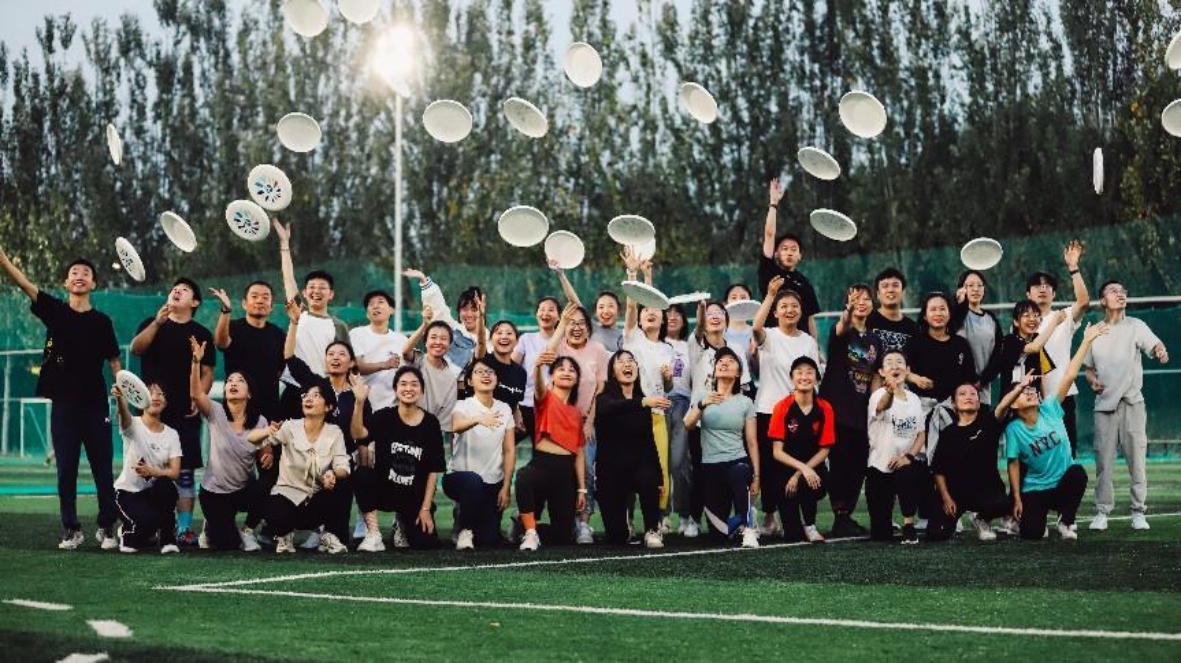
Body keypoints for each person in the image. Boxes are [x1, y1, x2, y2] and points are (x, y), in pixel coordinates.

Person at [0, 250, 121, 549]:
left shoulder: (102, 322)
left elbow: (114, 362)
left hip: (96, 405)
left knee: (103, 470)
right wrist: (3, 260)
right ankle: (71, 529)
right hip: (64, 406)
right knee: (66, 470)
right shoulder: (56, 311)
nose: (80, 276)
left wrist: (122, 393)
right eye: (74, 273)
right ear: (66, 283)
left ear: (93, 284)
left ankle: (107, 527)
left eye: (86, 273)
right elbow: (24, 284)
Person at [1002, 323, 1107, 541]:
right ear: (1014, 404)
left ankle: (1065, 520)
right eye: (1023, 392)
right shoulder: (1014, 429)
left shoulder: (1049, 407)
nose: (1030, 391)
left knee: (1078, 473)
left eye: (1031, 389)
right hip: (1036, 488)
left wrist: (1086, 340)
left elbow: (1069, 375)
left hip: (1062, 486)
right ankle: (1034, 520)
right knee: (1031, 534)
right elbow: (1013, 464)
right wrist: (1017, 499)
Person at [130, 277, 214, 546]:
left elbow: (208, 371)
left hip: (185, 414)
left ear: (195, 302)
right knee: (145, 470)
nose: (177, 291)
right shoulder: (151, 323)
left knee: (184, 472)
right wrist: (157, 322)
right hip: (151, 412)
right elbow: (136, 348)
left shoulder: (201, 333)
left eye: (185, 290)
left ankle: (185, 529)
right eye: (174, 289)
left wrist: (198, 396)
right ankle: (147, 525)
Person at [1084, 281, 1169, 531]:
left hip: (1133, 404)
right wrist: (1092, 381)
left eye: (1123, 291)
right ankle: (1101, 512)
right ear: (1103, 300)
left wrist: (1160, 350)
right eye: (1114, 291)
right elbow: (1088, 369)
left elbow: (1154, 344)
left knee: (1137, 462)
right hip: (1104, 407)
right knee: (1103, 463)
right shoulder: (1094, 330)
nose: (1120, 294)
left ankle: (1138, 512)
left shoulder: (1136, 326)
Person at [282, 300, 366, 551]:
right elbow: (289, 357)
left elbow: (358, 434)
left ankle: (330, 531)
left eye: (342, 354)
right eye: (331, 354)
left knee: (344, 479)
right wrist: (294, 322)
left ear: (351, 362)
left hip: (341, 462)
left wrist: (360, 403)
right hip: (312, 458)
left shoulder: (358, 393)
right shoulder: (316, 384)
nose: (335, 358)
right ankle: (310, 528)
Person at [752, 276, 819, 536]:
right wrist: (770, 295)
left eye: (794, 306)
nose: (789, 310)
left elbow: (814, 378)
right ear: (776, 312)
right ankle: (770, 516)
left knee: (796, 464)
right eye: (784, 306)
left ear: (801, 311)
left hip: (800, 413)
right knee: (771, 468)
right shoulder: (769, 336)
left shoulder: (808, 341)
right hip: (769, 410)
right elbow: (756, 327)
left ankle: (803, 519)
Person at [248, 382, 350, 554]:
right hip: (288, 495)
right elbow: (252, 438)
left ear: (328, 406)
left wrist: (333, 473)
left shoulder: (335, 432)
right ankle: (284, 535)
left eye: (316, 395)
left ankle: (329, 535)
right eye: (305, 395)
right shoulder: (290, 427)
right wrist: (267, 431)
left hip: (316, 497)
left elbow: (343, 465)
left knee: (342, 485)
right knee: (276, 513)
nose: (308, 399)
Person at [352, 366, 445, 551]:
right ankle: (374, 534)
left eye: (414, 384)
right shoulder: (384, 416)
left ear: (422, 390)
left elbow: (434, 470)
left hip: (413, 495)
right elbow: (357, 434)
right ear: (395, 389)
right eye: (403, 384)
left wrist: (425, 508)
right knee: (362, 474)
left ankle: (401, 523)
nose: (408, 388)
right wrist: (359, 402)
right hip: (385, 489)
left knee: (425, 543)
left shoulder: (431, 423)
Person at [190, 338, 269, 552]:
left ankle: (248, 530)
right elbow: (196, 394)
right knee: (227, 545)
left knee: (267, 484)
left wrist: (268, 456)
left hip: (243, 490)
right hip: (214, 492)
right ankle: (210, 528)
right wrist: (196, 362)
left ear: (249, 393)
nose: (233, 383)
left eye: (239, 381)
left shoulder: (260, 421)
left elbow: (265, 453)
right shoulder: (216, 412)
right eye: (230, 381)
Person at [821, 284, 883, 537]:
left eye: (866, 299)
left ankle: (847, 515)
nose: (861, 302)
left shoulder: (875, 340)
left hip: (861, 412)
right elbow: (842, 326)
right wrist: (847, 311)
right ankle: (840, 515)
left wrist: (875, 406)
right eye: (856, 299)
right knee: (840, 463)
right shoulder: (842, 331)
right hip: (837, 409)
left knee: (859, 465)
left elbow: (875, 376)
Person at [683, 347, 761, 549]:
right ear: (715, 370)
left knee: (739, 472)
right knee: (719, 536)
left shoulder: (745, 402)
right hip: (710, 466)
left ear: (738, 373)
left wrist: (757, 477)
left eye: (731, 361)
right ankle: (746, 514)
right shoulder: (703, 396)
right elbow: (688, 424)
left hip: (737, 462)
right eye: (720, 361)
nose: (724, 363)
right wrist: (702, 404)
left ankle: (749, 528)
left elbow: (752, 441)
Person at [546, 301, 608, 544]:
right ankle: (551, 520)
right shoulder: (559, 347)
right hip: (560, 422)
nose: (577, 327)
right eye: (572, 323)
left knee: (587, 471)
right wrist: (562, 323)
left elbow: (600, 389)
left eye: (582, 323)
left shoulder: (598, 350)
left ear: (589, 327)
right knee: (558, 472)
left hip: (586, 422)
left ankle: (583, 522)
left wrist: (589, 422)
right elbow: (546, 357)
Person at [274, 220, 350, 418]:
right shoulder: (299, 312)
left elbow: (346, 363)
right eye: (312, 288)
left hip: (322, 392)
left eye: (322, 288)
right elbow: (288, 279)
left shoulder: (339, 326)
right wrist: (285, 245)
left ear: (331, 294)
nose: (317, 291)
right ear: (305, 292)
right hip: (294, 388)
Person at [926, 382, 1019, 542]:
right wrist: (946, 497)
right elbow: (939, 470)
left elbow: (1004, 405)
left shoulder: (988, 423)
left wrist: (1020, 388)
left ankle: (981, 518)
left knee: (1003, 504)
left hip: (986, 491)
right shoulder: (948, 433)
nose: (968, 397)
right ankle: (951, 523)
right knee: (936, 534)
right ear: (954, 404)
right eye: (962, 394)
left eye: (972, 394)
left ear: (979, 402)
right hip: (956, 494)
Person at [513, 354, 588, 551]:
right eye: (561, 369)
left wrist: (581, 489)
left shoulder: (576, 413)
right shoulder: (545, 398)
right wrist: (538, 367)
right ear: (552, 376)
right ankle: (530, 532)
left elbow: (580, 452)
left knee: (562, 538)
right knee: (524, 476)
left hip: (565, 473)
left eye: (572, 370)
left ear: (577, 379)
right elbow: (538, 387)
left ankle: (523, 526)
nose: (566, 372)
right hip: (542, 465)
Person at [621, 250, 674, 531]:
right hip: (632, 415)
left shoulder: (668, 349)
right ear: (639, 320)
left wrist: (668, 379)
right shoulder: (633, 337)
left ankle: (660, 517)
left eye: (656, 311)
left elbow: (669, 387)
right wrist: (634, 274)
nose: (650, 313)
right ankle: (628, 519)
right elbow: (633, 305)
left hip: (657, 417)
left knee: (660, 468)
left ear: (663, 320)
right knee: (629, 467)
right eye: (646, 311)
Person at [594, 350, 668, 547]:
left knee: (648, 478)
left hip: (639, 467)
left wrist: (659, 477)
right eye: (621, 362)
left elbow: (649, 441)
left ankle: (652, 530)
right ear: (612, 372)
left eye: (631, 361)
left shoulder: (643, 402)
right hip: (612, 471)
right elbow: (609, 409)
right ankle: (624, 527)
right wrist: (642, 402)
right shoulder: (604, 399)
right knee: (617, 538)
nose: (627, 364)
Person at [444, 356, 516, 550]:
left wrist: (506, 486)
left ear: (497, 379)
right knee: (473, 482)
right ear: (469, 381)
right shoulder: (462, 405)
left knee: (488, 540)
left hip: (493, 482)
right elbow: (456, 426)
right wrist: (478, 419)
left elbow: (509, 450)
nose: (486, 375)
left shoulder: (504, 408)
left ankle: (472, 520)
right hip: (460, 478)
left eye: (490, 371)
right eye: (479, 372)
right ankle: (464, 530)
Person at [1025, 240, 1089, 456]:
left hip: (1063, 396)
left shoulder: (1063, 316)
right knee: (1036, 456)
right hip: (1031, 400)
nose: (1042, 288)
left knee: (1067, 453)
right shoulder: (1021, 324)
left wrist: (1073, 267)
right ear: (1028, 294)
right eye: (1037, 285)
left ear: (1054, 294)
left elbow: (1083, 303)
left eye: (1047, 286)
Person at [766, 356, 834, 543]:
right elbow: (777, 452)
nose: (804, 377)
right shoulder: (782, 407)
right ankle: (791, 524)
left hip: (813, 469)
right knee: (793, 537)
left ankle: (810, 525)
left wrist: (802, 473)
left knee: (809, 480)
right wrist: (800, 469)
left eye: (809, 372)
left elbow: (825, 450)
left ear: (817, 378)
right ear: (792, 378)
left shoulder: (825, 408)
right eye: (799, 373)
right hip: (784, 472)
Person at [111, 382, 182, 554]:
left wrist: (153, 472)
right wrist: (120, 398)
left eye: (160, 394)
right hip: (127, 493)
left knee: (166, 486)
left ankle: (167, 539)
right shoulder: (133, 424)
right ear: (141, 399)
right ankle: (127, 532)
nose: (155, 397)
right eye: (150, 393)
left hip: (151, 493)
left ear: (165, 401)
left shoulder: (172, 434)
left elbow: (175, 473)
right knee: (140, 534)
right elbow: (124, 416)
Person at [865, 349, 926, 544]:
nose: (894, 366)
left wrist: (908, 457)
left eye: (899, 362)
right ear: (882, 372)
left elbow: (921, 433)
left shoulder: (914, 399)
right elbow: (882, 406)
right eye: (889, 362)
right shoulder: (878, 395)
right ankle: (886, 522)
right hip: (880, 467)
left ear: (907, 370)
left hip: (906, 465)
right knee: (881, 535)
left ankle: (909, 524)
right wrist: (890, 392)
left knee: (907, 472)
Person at [211, 281, 285, 422]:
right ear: (244, 303)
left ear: (271, 306)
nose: (260, 301)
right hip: (237, 408)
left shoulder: (278, 334)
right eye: (254, 296)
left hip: (269, 409)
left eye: (265, 297)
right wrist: (226, 310)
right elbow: (220, 342)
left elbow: (282, 370)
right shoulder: (232, 327)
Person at [759, 178, 821, 340]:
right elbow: (769, 234)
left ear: (800, 256)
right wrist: (773, 204)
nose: (789, 253)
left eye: (794, 250)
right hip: (774, 343)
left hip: (801, 344)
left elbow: (810, 319)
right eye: (785, 249)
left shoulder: (804, 282)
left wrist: (814, 346)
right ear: (776, 253)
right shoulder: (769, 271)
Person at [403, 268, 488, 369]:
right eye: (465, 309)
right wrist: (423, 279)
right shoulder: (452, 329)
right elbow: (438, 307)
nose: (469, 314)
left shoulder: (492, 339)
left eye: (474, 310)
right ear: (459, 311)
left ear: (481, 311)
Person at [401, 307, 460, 447]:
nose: (438, 342)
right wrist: (424, 325)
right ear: (425, 342)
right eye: (433, 337)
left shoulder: (451, 377)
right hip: (404, 427)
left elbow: (445, 418)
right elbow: (405, 351)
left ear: (450, 345)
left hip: (429, 435)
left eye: (443, 339)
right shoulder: (419, 360)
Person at [664, 304, 696, 537]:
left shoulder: (690, 346)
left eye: (677, 314)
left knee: (679, 462)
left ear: (685, 320)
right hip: (659, 403)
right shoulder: (653, 344)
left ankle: (685, 515)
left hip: (683, 403)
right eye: (668, 314)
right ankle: (662, 516)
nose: (672, 317)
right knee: (660, 463)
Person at [511, 295, 562, 442]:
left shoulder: (564, 342)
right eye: (542, 309)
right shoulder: (526, 339)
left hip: (551, 407)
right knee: (503, 446)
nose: (545, 313)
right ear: (536, 314)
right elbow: (511, 369)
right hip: (525, 405)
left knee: (543, 449)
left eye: (551, 310)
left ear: (559, 317)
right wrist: (515, 408)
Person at [350, 290, 409, 412]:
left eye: (380, 302)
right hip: (363, 405)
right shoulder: (357, 334)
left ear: (391, 310)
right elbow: (357, 367)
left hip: (393, 407)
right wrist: (384, 364)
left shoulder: (402, 339)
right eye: (371, 304)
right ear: (367, 314)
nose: (375, 306)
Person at [952, 270, 1003, 404]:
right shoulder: (957, 315)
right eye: (970, 285)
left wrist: (981, 382)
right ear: (961, 289)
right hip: (957, 390)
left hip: (982, 392)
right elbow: (952, 327)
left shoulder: (991, 319)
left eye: (979, 285)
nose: (975, 289)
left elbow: (998, 355)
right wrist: (960, 304)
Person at [551, 260, 623, 351]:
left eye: (611, 306)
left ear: (618, 309)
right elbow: (574, 302)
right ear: (596, 311)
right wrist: (561, 275)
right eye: (601, 307)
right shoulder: (592, 328)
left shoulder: (625, 334)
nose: (605, 311)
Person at [867, 267, 918, 353]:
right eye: (885, 286)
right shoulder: (866, 321)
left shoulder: (913, 328)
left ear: (903, 292)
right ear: (878, 294)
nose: (890, 290)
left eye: (895, 285)